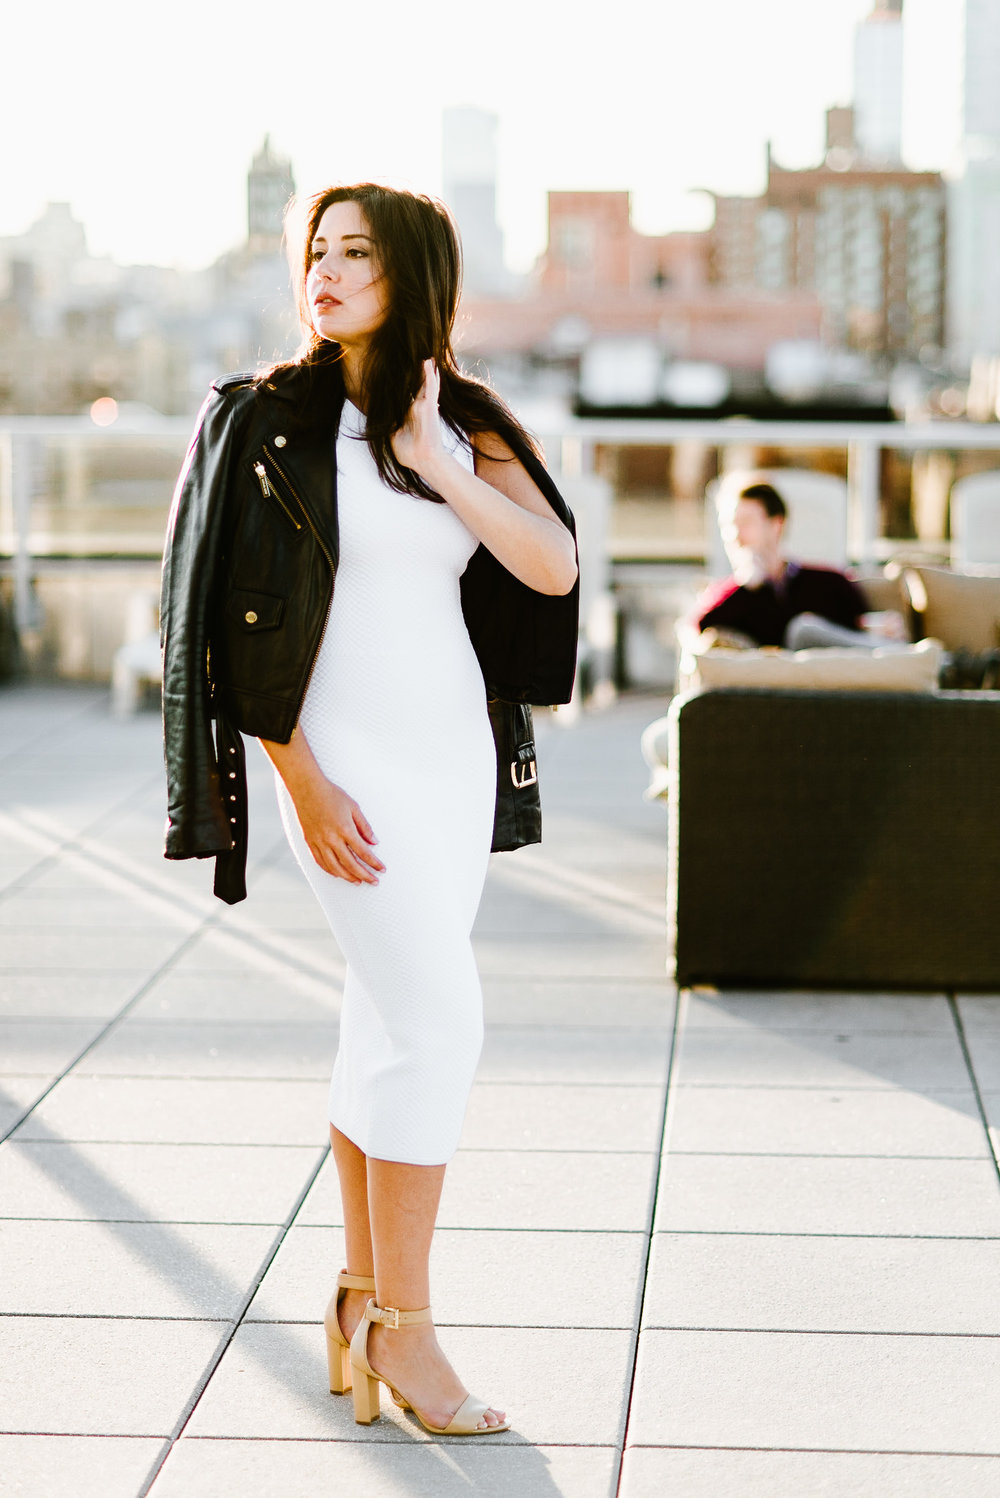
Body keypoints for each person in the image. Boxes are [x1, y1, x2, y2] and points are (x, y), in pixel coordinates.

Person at [159, 183, 579, 1436]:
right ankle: (411, 1330)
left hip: (451, 761)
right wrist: (299, 776)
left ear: (413, 274)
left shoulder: (460, 417)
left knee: (387, 1019)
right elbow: (220, 620)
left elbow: (549, 564)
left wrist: (442, 464)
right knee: (440, 1020)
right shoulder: (262, 419)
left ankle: (354, 1298)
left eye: (356, 253)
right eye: (317, 251)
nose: (326, 272)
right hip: (338, 770)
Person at [693, 479, 907, 650]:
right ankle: (903, 657)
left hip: (842, 673)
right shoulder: (731, 595)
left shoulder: (828, 581)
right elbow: (699, 629)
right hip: (786, 685)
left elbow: (856, 623)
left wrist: (876, 627)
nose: (735, 536)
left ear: (776, 524)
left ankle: (902, 656)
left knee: (805, 629)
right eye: (728, 526)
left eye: (746, 523)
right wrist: (744, 585)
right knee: (801, 631)